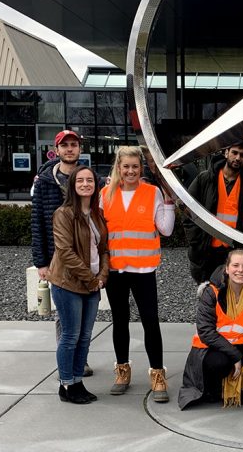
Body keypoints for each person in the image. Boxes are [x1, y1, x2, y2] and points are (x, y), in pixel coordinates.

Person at [100, 145, 176, 403]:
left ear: (140, 169)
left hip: (144, 269)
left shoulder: (153, 192)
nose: (130, 171)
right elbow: (99, 235)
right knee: (119, 321)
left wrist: (169, 205)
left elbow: (165, 230)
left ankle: (158, 374)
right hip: (116, 270)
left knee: (150, 321)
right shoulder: (105, 194)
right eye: (126, 167)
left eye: (135, 166)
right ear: (118, 168)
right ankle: (122, 370)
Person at [31, 129, 100, 377]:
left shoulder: (89, 179)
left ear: (80, 149)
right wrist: (41, 261)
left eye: (74, 145)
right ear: (57, 149)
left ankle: (80, 360)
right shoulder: (45, 181)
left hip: (85, 256)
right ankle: (68, 364)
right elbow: (37, 221)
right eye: (65, 145)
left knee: (83, 320)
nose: (70, 149)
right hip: (57, 259)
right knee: (66, 317)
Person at [178, 249, 243, 409]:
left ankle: (240, 387)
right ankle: (214, 390)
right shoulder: (211, 291)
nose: (240, 270)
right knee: (220, 362)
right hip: (209, 348)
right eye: (235, 265)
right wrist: (235, 355)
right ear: (226, 268)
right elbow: (206, 332)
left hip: (240, 343)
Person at [49, 165, 108, 404]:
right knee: (70, 335)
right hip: (68, 284)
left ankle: (77, 380)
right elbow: (65, 252)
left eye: (90, 180)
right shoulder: (64, 214)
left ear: (96, 185)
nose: (85, 184)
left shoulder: (97, 214)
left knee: (85, 337)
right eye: (80, 180)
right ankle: (66, 384)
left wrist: (103, 276)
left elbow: (104, 249)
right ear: (73, 185)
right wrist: (92, 279)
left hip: (92, 284)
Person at [184, 141, 243, 284]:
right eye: (234, 152)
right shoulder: (205, 179)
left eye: (242, 155)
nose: (238, 158)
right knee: (207, 294)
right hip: (206, 249)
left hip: (235, 250)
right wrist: (195, 241)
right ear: (226, 152)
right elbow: (187, 210)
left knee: (233, 293)